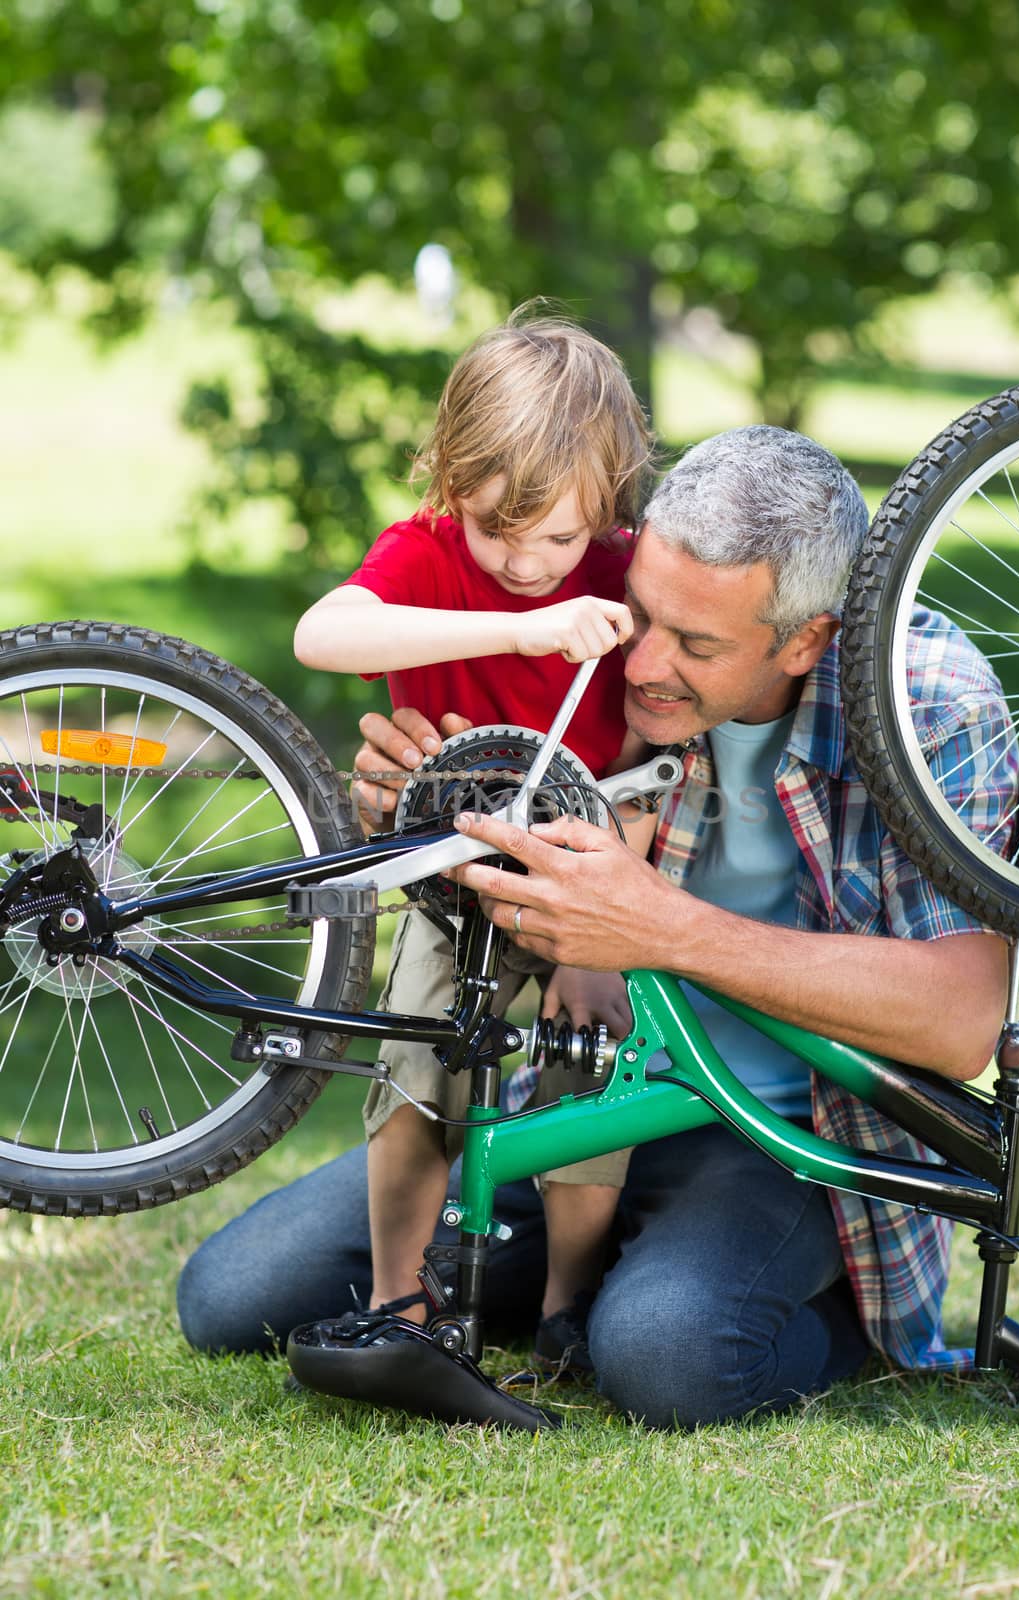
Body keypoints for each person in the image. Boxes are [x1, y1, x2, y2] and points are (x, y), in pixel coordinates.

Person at [178, 425, 1011, 1429]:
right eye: (639, 615)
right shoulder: (593, 629)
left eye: (695, 644)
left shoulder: (930, 706)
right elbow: (495, 802)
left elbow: (961, 1017)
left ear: (806, 639)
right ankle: (596, 1285)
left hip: (789, 1139)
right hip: (587, 1092)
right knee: (236, 1294)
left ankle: (804, 1307)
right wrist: (421, 798)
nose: (642, 661)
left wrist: (664, 927)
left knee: (664, 1358)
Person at [290, 309, 657, 1370]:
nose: (533, 562)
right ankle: (399, 1302)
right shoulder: (427, 555)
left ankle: (561, 1313)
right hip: (456, 883)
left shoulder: (625, 571)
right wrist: (518, 627)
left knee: (587, 1091)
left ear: (607, 505)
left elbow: (649, 759)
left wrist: (594, 946)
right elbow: (326, 633)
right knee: (413, 1076)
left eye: (560, 538)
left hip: (589, 882)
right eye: (502, 529)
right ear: (451, 483)